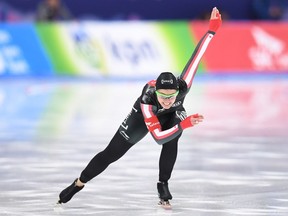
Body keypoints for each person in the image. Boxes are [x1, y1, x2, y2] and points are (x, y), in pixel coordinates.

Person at [57, 7, 222, 206]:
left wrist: (211, 31)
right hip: (142, 119)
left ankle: (163, 184)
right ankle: (78, 183)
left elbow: (196, 57)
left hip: (171, 116)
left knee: (174, 133)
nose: (168, 100)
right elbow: (158, 138)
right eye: (163, 96)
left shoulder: (183, 85)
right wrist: (185, 124)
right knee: (112, 153)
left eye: (172, 96)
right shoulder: (147, 102)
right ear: (157, 93)